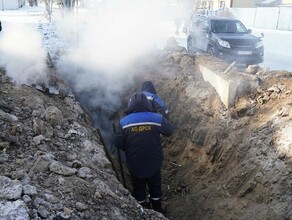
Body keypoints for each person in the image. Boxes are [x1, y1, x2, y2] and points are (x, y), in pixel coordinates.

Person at [114, 92, 175, 214]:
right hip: (154, 160)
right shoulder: (157, 118)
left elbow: (118, 143)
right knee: (155, 186)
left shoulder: (123, 122)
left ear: (130, 105)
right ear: (147, 104)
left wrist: (131, 148)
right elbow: (170, 131)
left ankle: (141, 211)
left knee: (138, 188)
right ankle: (157, 210)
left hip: (134, 162)